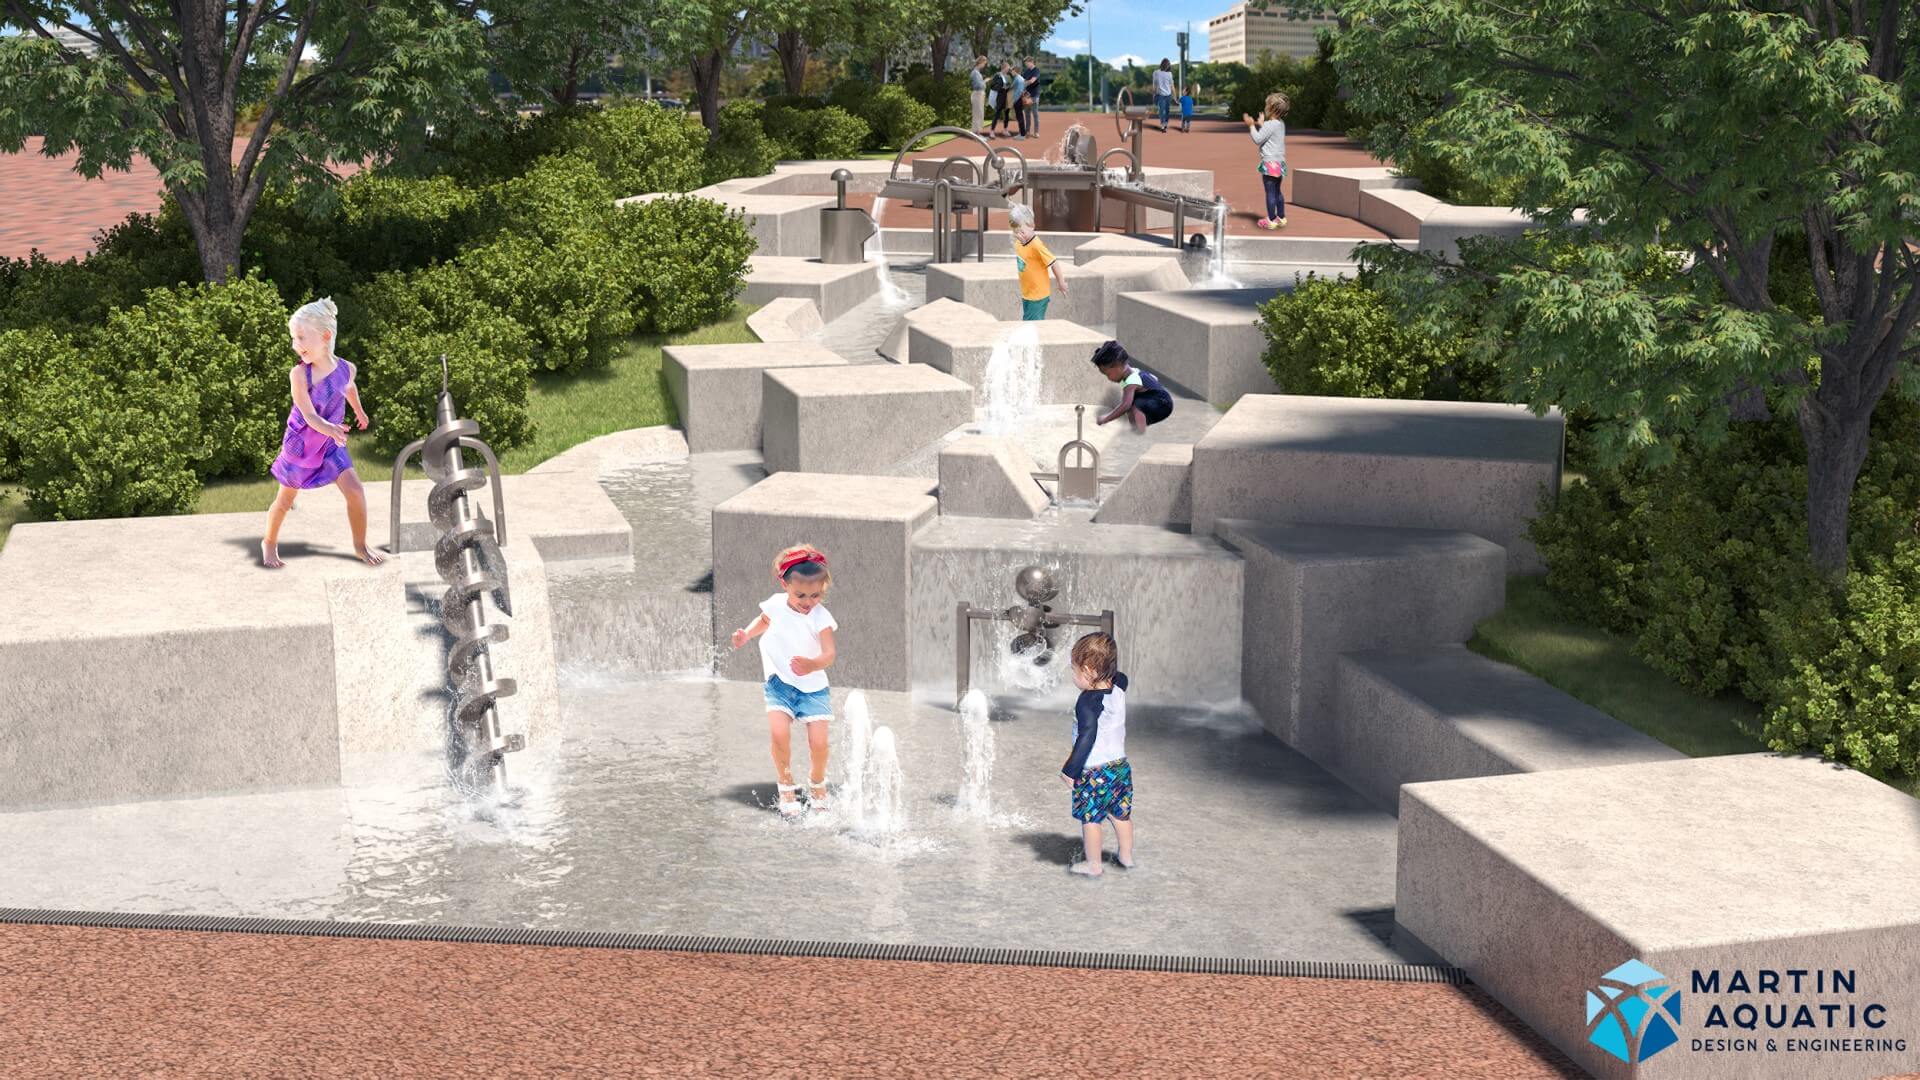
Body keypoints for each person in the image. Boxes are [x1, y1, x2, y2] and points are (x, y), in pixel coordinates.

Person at [261, 298, 384, 570]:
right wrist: (330, 428)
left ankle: (360, 545)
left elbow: (348, 388)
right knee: (285, 500)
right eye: (294, 338)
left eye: (302, 337)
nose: (296, 344)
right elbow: (308, 415)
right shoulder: (299, 375)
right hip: (302, 445)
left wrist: (359, 411)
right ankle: (269, 542)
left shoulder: (346, 368)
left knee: (355, 490)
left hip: (330, 443)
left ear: (326, 336)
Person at [730, 545, 838, 817]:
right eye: (800, 594)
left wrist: (812, 664)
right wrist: (747, 634)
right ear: (784, 584)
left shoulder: (820, 617)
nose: (807, 601)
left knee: (820, 744)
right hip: (779, 683)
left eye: (815, 595)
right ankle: (786, 785)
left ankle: (817, 783)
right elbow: (765, 620)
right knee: (779, 735)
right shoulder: (777, 603)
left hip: (813, 688)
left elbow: (830, 654)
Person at [1060, 632, 1135, 877]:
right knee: (1120, 814)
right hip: (1120, 767)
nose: (1072, 676)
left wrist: (1071, 769)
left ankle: (1094, 866)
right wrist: (1109, 673)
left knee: (1091, 819)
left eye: (1074, 670)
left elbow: (1088, 735)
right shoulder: (1118, 688)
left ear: (1090, 671)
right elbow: (1122, 676)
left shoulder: (1086, 701)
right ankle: (1126, 856)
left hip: (1094, 770)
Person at [1091, 340, 1174, 433]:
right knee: (1132, 401)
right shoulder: (1135, 371)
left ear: (1118, 366)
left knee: (1132, 406)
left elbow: (1125, 405)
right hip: (1162, 398)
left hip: (1163, 404)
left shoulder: (1131, 381)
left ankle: (1138, 429)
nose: (1108, 378)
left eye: (1108, 374)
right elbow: (1155, 378)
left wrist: (1105, 418)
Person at [1009, 203, 1066, 320]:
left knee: (1031, 324)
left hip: (1038, 295)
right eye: (1016, 232)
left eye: (1022, 232)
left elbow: (1053, 262)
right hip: (1027, 293)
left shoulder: (1036, 245)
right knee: (1031, 323)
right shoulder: (1018, 243)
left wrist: (1061, 282)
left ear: (1032, 226)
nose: (1019, 236)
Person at [1243, 92, 1289, 229]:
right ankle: (1281, 217)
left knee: (1270, 192)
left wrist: (1251, 125)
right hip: (1280, 163)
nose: (1265, 107)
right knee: (1277, 191)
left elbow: (1258, 139)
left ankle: (1271, 220)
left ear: (1272, 108)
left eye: (1267, 105)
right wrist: (1262, 124)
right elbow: (1269, 136)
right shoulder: (1280, 124)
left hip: (1269, 163)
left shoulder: (1270, 125)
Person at [989, 62, 1013, 137]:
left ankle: (1005, 130)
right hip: (1000, 96)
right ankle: (992, 131)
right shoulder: (997, 75)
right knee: (997, 114)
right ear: (1003, 68)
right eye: (1007, 68)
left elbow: (1011, 85)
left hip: (1007, 96)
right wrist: (1001, 87)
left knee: (1006, 114)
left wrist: (1008, 87)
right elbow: (992, 86)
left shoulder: (1008, 76)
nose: (1008, 70)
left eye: (1008, 68)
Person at [1021, 57, 1042, 137]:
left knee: (1035, 114)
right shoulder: (1026, 71)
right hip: (1027, 96)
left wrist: (1025, 83)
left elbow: (1032, 80)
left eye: (1027, 63)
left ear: (1031, 62)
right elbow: (1023, 81)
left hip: (1034, 95)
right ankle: (1027, 132)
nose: (1026, 64)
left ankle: (1036, 132)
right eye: (1025, 63)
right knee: (1027, 114)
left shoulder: (1036, 70)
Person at [1152, 59, 1175, 132]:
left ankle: (1165, 124)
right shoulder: (1156, 72)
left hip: (1168, 95)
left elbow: (1172, 86)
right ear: (1163, 64)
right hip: (1160, 95)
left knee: (1167, 111)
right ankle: (1163, 125)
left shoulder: (1169, 74)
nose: (1167, 66)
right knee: (1162, 110)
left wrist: (1175, 96)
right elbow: (1154, 84)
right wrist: (1154, 94)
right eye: (1167, 64)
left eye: (1168, 65)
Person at [970, 56, 989, 134]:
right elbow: (978, 85)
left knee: (978, 113)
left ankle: (976, 133)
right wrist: (985, 82)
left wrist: (983, 82)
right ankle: (977, 133)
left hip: (979, 94)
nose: (984, 65)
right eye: (984, 63)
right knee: (979, 114)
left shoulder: (976, 72)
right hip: (978, 94)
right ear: (980, 62)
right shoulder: (975, 73)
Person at [1010, 63, 1029, 139]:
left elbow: (1016, 90)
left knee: (1019, 117)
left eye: (1012, 70)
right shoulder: (1021, 78)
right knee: (1020, 117)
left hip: (1017, 100)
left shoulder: (1017, 79)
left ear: (1015, 71)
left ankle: (1022, 134)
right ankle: (1022, 133)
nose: (1011, 71)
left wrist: (1014, 100)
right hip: (1019, 100)